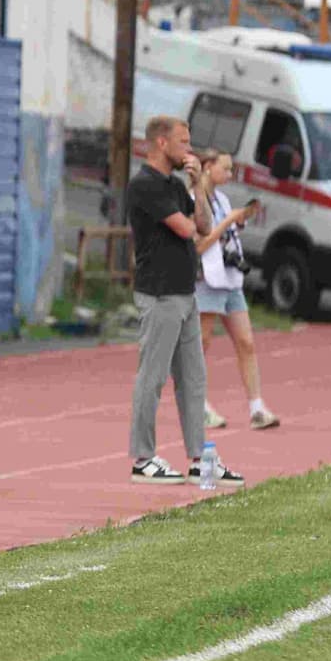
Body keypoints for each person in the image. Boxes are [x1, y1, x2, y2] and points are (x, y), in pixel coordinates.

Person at [124, 116, 213, 486]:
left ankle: (198, 458)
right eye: (183, 142)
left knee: (194, 380)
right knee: (153, 377)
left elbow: (205, 225)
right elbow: (186, 228)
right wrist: (194, 202)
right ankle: (143, 458)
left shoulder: (176, 184)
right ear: (161, 143)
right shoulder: (144, 185)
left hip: (185, 292)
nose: (188, 150)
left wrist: (199, 184)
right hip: (160, 293)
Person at [194, 148, 280, 434]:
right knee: (202, 343)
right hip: (207, 279)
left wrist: (238, 221)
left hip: (230, 279)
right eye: (226, 169)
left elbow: (223, 234)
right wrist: (228, 221)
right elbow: (200, 244)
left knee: (246, 342)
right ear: (207, 167)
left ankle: (256, 407)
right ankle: (198, 404)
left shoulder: (222, 198)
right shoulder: (194, 200)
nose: (230, 175)